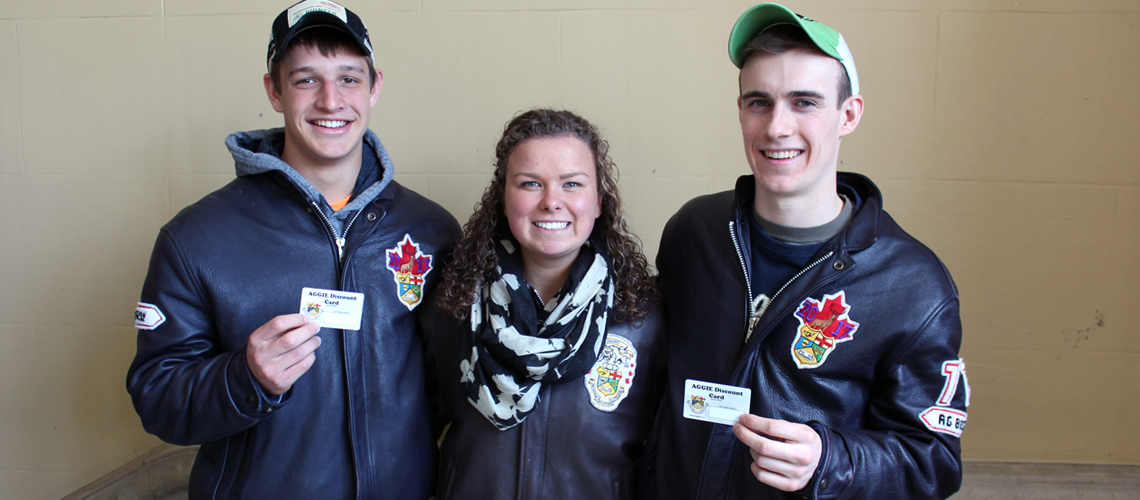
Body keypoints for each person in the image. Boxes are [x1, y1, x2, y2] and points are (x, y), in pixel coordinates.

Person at [126, 1, 459, 498]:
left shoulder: (431, 229)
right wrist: (246, 378)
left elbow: (447, 387)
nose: (331, 100)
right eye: (306, 80)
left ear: (375, 87)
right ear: (274, 91)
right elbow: (158, 397)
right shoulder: (196, 237)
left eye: (349, 78)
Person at [640, 4, 970, 499]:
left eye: (804, 102)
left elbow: (934, 461)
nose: (776, 127)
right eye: (759, 102)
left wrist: (829, 461)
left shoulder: (912, 284)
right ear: (740, 111)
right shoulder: (695, 232)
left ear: (849, 114)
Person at [420, 109, 663, 499]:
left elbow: (663, 458)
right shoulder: (451, 309)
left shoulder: (643, 321)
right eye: (531, 183)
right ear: (503, 199)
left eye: (571, 184)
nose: (552, 202)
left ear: (599, 202)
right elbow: (414, 433)